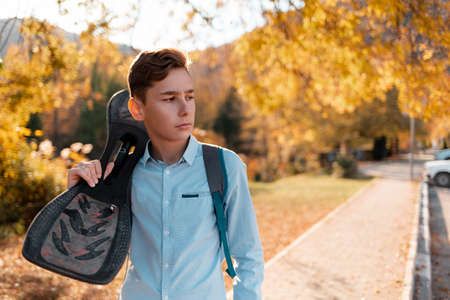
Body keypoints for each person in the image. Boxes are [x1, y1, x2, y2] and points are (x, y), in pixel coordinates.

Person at [67, 48, 264, 300]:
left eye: (189, 97)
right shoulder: (122, 172)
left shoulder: (224, 166)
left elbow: (248, 256)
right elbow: (82, 252)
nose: (185, 110)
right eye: (170, 99)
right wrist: (78, 198)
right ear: (137, 109)